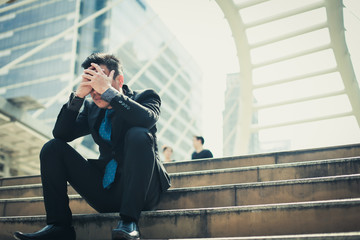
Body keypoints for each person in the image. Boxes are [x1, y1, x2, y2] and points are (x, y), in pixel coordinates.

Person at [13, 53, 171, 240]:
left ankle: (129, 222)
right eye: (90, 81)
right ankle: (59, 227)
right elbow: (62, 134)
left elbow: (146, 120)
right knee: (52, 148)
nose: (95, 89)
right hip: (106, 190)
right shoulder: (91, 108)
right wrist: (79, 97)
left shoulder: (146, 97)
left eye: (100, 79)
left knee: (138, 134)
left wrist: (110, 94)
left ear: (119, 79)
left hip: (144, 192)